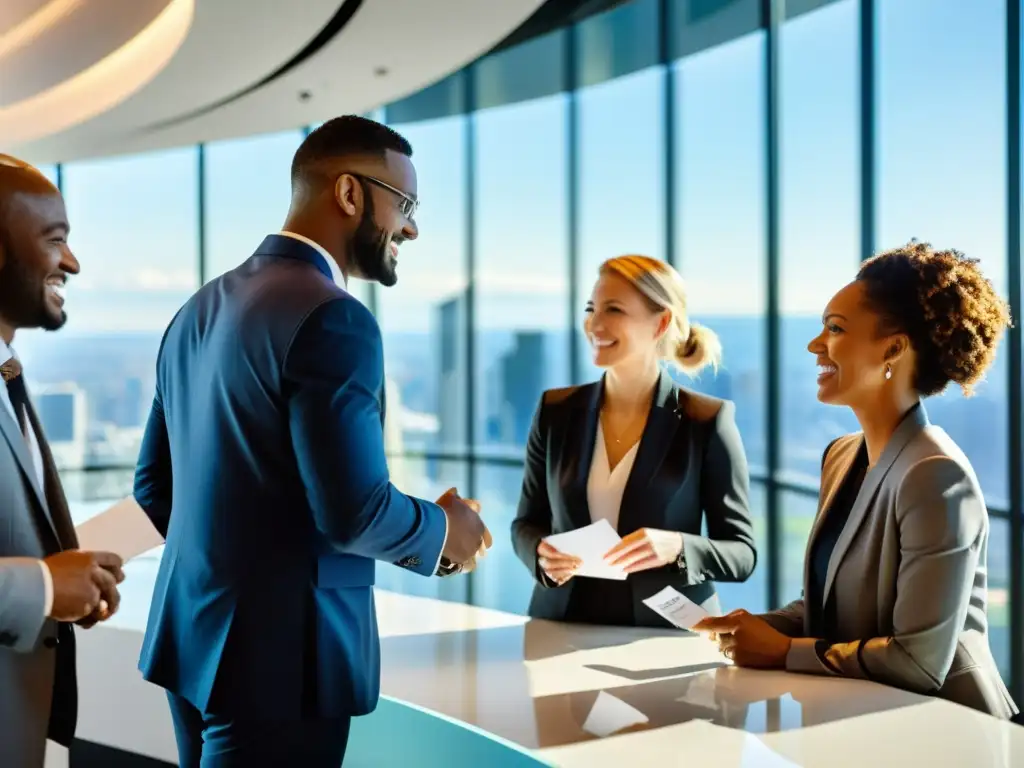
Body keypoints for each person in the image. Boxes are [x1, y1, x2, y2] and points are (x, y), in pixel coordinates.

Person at [133, 116, 491, 766]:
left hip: (193, 640)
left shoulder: (196, 309)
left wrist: (236, 567)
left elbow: (154, 489)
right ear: (351, 194)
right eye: (405, 205)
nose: (411, 227)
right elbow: (354, 513)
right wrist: (446, 529)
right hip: (283, 665)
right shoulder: (335, 318)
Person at [694, 241, 1019, 719]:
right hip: (860, 716)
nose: (814, 344)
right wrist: (755, 626)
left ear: (893, 348)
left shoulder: (936, 474)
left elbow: (919, 663)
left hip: (947, 729)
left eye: (835, 329)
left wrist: (782, 652)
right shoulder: (842, 456)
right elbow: (831, 608)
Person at [511, 255, 756, 626]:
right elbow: (526, 523)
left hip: (664, 635)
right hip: (561, 625)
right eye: (591, 308)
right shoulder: (555, 411)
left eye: (614, 309)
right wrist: (540, 554)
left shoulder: (706, 420)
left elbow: (742, 553)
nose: (594, 323)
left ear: (660, 323)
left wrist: (678, 547)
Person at [0, 155, 125, 766]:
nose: (71, 263)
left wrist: (72, 576)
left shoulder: (8, 375)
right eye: (56, 241)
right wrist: (47, 586)